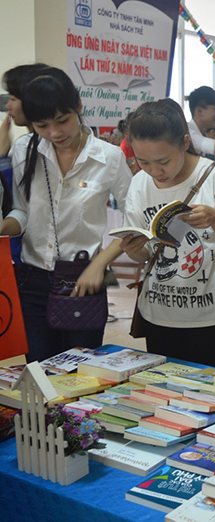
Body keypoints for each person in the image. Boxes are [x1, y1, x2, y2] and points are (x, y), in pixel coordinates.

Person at [0, 67, 132, 362]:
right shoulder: (24, 149)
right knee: (40, 373)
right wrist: (4, 226)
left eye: (63, 121)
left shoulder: (108, 158)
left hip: (82, 281)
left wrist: (100, 264)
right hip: (32, 282)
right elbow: (21, 211)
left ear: (79, 108)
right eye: (42, 125)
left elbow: (134, 220)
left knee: (80, 375)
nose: (55, 133)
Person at [119, 99, 215, 369]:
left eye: (163, 161)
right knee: (164, 396)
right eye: (144, 161)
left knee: (207, 400)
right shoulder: (139, 183)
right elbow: (144, 249)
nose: (155, 171)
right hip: (158, 314)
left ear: (185, 142)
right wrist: (135, 251)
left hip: (210, 317)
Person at [1, 63, 50, 266]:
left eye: (13, 98)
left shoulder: (46, 151)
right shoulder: (22, 148)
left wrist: (1, 156)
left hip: (30, 259)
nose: (7, 106)